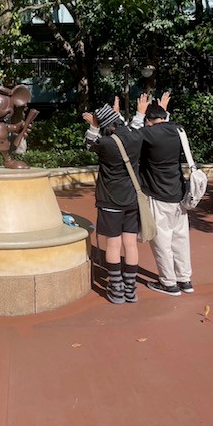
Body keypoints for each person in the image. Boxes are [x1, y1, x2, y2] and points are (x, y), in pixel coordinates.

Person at [83, 98, 145, 304]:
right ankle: (131, 289)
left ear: (106, 126)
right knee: (131, 244)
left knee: (113, 244)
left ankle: (116, 288)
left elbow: (88, 145)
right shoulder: (136, 137)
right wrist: (116, 115)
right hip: (132, 199)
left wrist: (94, 127)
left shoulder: (106, 143)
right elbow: (133, 126)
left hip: (110, 200)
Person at [132, 96, 192, 296]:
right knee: (181, 239)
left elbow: (130, 138)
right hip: (179, 194)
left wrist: (139, 114)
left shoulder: (148, 133)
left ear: (148, 121)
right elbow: (164, 125)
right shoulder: (178, 130)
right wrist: (162, 110)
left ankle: (169, 283)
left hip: (157, 195)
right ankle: (185, 279)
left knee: (162, 241)